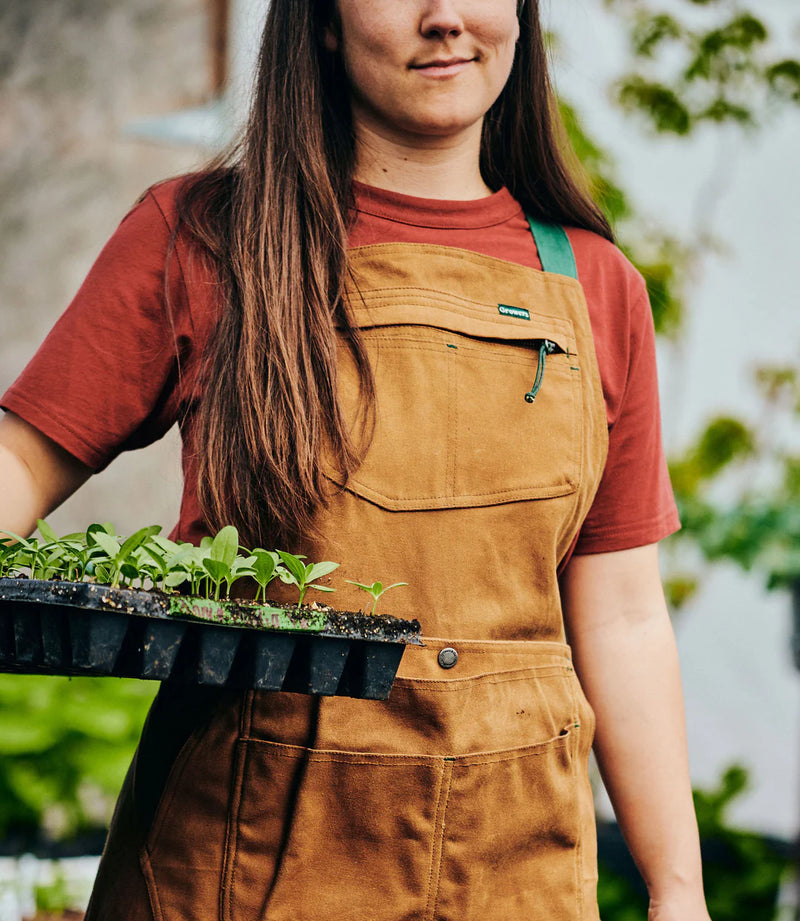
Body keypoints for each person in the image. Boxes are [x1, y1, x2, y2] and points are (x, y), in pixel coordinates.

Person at [0, 1, 713, 919]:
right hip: (244, 862)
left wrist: (678, 889)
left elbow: (620, 615)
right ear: (324, 23)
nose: (446, 17)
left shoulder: (595, 285)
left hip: (516, 864)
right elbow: (23, 458)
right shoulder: (206, 235)